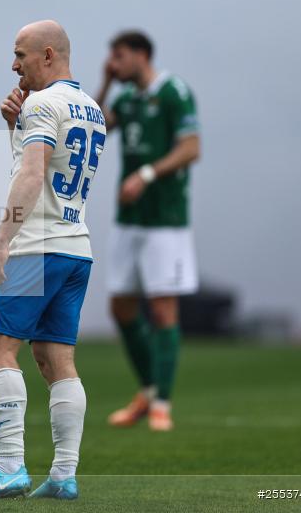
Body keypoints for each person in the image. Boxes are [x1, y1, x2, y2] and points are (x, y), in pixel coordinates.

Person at [0, 21, 105, 501]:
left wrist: (2, 241)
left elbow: (32, 172)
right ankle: (63, 474)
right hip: (74, 247)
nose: (13, 64)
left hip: (34, 248)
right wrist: (14, 126)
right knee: (55, 358)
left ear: (47, 54)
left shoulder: (43, 103)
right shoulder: (91, 108)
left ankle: (9, 469)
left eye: (20, 54)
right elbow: (52, 166)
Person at [96, 31, 200, 432]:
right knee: (121, 307)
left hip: (166, 222)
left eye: (119, 57)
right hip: (130, 221)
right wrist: (105, 82)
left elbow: (191, 148)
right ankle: (148, 390)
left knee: (161, 309)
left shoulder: (174, 92)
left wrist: (147, 172)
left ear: (141, 55)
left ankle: (163, 406)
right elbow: (96, 127)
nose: (114, 63)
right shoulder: (127, 99)